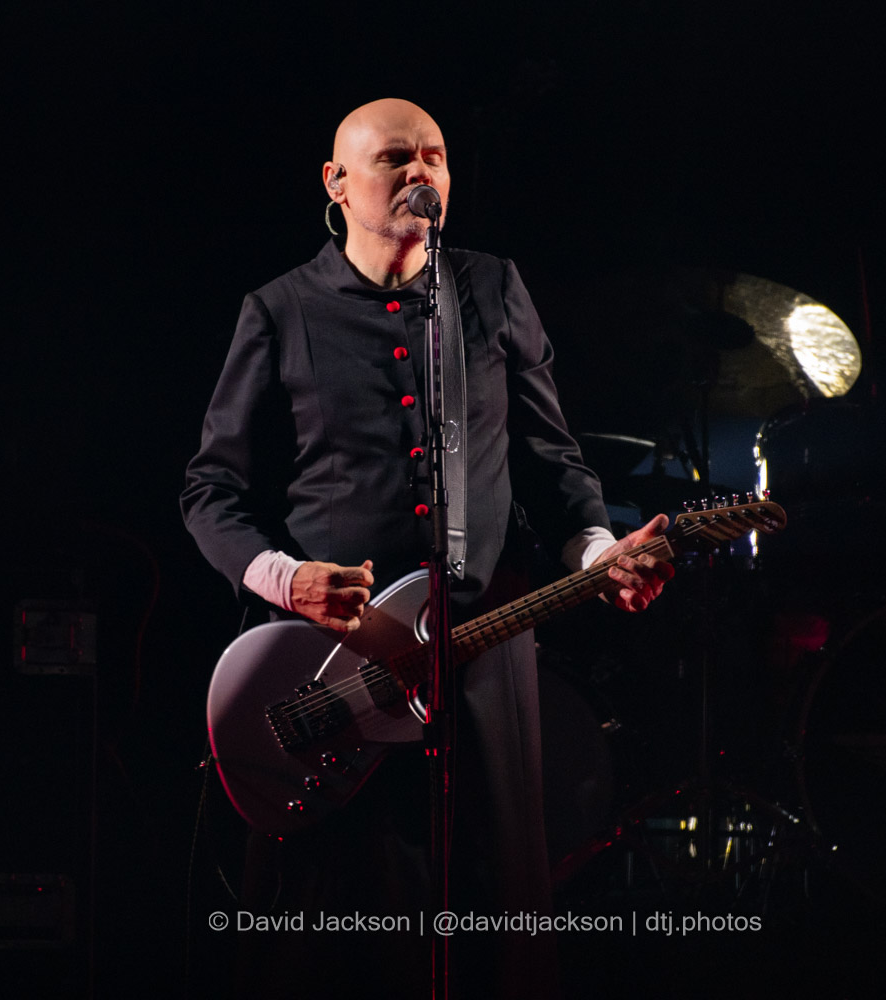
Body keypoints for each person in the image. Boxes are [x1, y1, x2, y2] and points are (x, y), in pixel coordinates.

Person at [181, 98, 673, 999]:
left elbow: (553, 465)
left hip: (483, 659)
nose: (422, 175)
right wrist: (289, 582)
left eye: (436, 158)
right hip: (332, 670)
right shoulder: (280, 311)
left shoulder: (489, 289)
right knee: (338, 937)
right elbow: (209, 493)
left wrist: (598, 553)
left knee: (493, 921)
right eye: (397, 158)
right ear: (335, 183)